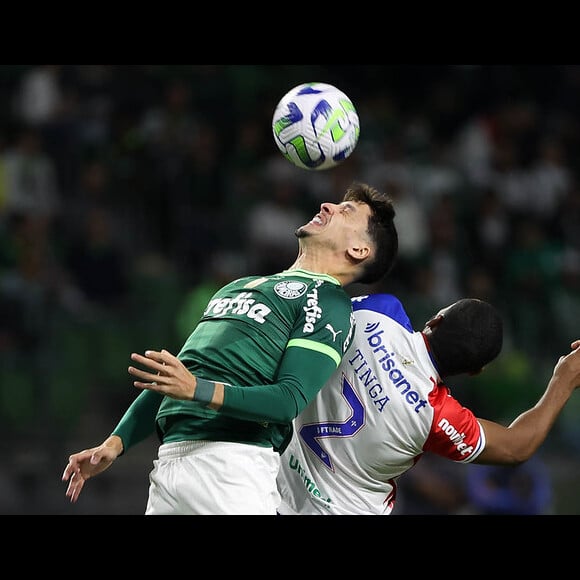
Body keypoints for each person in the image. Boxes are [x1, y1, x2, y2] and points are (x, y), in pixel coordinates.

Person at [61, 182, 399, 515]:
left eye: (346, 212)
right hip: (169, 466)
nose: (327, 205)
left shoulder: (328, 303)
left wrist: (196, 389)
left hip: (232, 467)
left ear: (359, 250)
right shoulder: (239, 286)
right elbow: (175, 379)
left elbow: (288, 400)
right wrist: (114, 444)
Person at [275, 293, 580, 515]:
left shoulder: (379, 311)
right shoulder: (437, 416)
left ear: (435, 319)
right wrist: (564, 377)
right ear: (474, 372)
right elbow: (516, 447)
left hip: (270, 475)